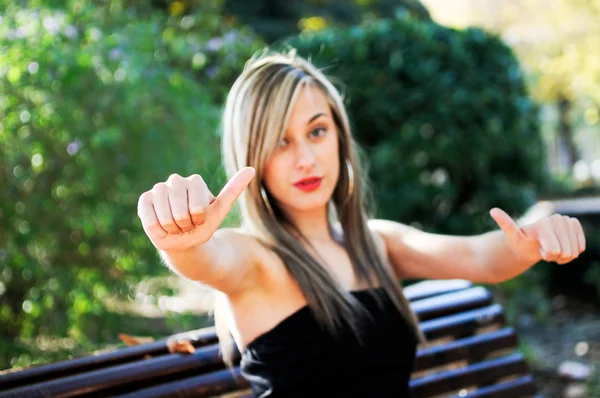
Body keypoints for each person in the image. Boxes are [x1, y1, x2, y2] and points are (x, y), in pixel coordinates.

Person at [136, 50, 586, 397]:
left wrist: (534, 241)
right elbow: (206, 258)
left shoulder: (377, 243)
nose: (306, 158)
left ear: (339, 137)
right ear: (251, 156)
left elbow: (478, 257)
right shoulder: (256, 260)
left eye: (317, 131)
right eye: (280, 142)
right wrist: (180, 241)